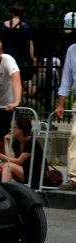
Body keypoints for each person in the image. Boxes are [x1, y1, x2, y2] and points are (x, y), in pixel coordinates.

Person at [0, 115, 46, 190]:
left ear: (21, 129)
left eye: (14, 127)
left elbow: (19, 161)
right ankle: (1, 188)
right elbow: (10, 158)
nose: (10, 129)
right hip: (25, 173)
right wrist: (6, 142)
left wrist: (0, 156)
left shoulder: (31, 142)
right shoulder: (17, 141)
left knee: (8, 166)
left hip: (36, 176)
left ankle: (5, 190)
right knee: (3, 164)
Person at [54, 43, 76, 191]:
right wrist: (60, 104)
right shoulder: (72, 50)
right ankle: (74, 177)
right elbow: (67, 80)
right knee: (75, 136)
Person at [0, 3, 36, 83]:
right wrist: (31, 58)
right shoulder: (26, 26)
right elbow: (30, 43)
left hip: (6, 56)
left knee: (6, 81)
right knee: (18, 81)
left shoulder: (3, 25)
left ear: (11, 13)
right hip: (20, 57)